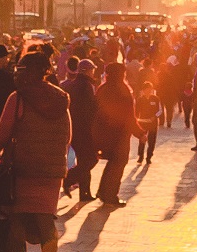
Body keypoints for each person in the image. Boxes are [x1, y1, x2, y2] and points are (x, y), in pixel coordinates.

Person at [0, 51, 72, 252]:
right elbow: (68, 137)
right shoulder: (60, 99)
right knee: (47, 221)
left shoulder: (17, 99)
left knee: (17, 219)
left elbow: (2, 135)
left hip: (24, 169)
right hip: (52, 170)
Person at [95, 62, 136, 203]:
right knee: (118, 163)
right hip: (120, 135)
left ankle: (103, 191)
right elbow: (129, 116)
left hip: (105, 133)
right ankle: (110, 195)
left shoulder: (102, 89)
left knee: (112, 163)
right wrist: (140, 133)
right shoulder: (123, 90)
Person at [63, 59, 99, 202]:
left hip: (73, 127)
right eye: (92, 69)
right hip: (84, 129)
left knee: (84, 160)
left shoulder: (72, 84)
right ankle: (68, 179)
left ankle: (85, 193)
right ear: (87, 71)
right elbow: (91, 108)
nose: (93, 72)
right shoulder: (86, 86)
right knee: (90, 160)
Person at [134, 80, 161, 165]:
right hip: (143, 123)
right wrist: (136, 121)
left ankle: (149, 157)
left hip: (153, 123)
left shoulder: (155, 99)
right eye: (147, 89)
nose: (149, 91)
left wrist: (155, 116)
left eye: (150, 89)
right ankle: (140, 156)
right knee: (142, 141)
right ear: (143, 90)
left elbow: (160, 110)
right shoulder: (140, 99)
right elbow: (136, 112)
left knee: (152, 141)